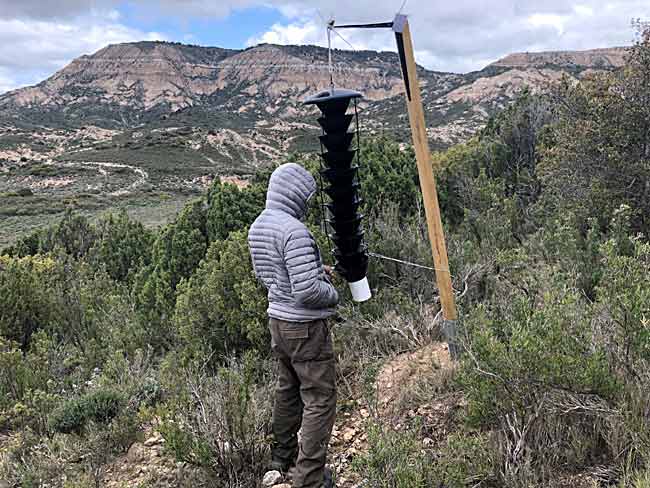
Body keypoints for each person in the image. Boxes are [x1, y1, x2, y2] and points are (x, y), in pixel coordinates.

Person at [248, 163, 338, 488]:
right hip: (304, 328)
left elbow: (270, 275)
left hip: (278, 322)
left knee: (288, 391)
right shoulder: (295, 231)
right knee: (319, 397)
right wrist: (333, 294)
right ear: (297, 195)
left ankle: (280, 460)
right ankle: (309, 479)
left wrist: (314, 268)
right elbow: (308, 292)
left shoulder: (259, 225)